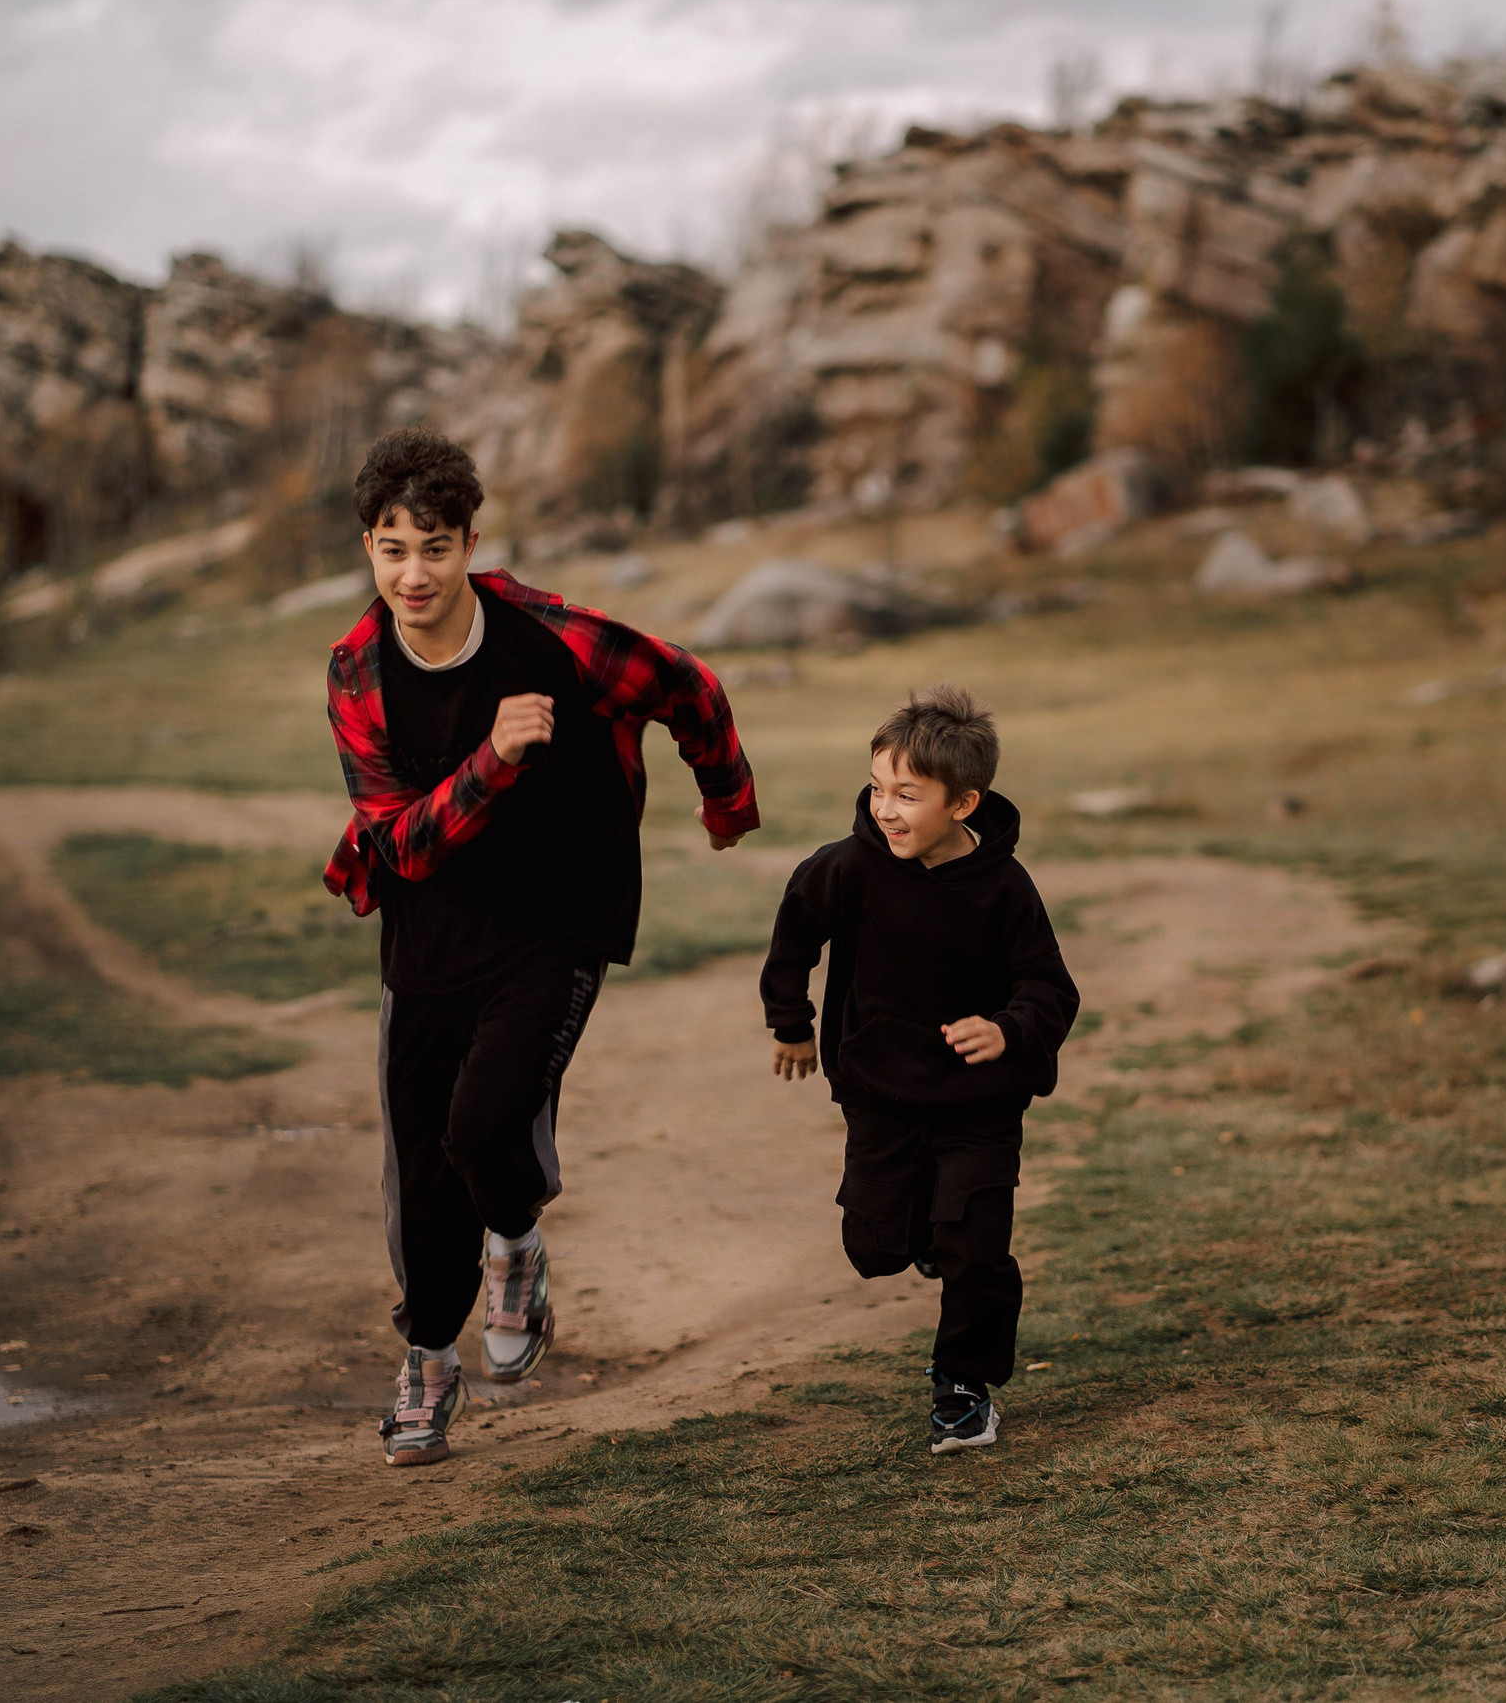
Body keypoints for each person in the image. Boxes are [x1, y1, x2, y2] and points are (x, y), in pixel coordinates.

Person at [322, 427, 759, 1468]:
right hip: (431, 933)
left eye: (435, 548)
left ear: (470, 544)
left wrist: (724, 803)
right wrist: (493, 758)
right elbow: (399, 845)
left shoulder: (551, 638)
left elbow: (687, 684)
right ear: (369, 549)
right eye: (393, 549)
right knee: (419, 1170)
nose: (414, 574)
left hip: (562, 913)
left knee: (483, 1126)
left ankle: (515, 1244)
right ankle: (430, 1362)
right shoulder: (356, 671)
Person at [760, 684, 1078, 1452]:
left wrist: (1008, 1030)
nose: (885, 809)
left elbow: (1049, 987)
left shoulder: (1004, 887)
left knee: (977, 1247)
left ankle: (963, 1388)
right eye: (877, 788)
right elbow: (795, 935)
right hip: (881, 1092)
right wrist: (793, 1024)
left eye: (907, 794)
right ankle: (929, 1235)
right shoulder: (847, 868)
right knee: (874, 1248)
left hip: (980, 1101)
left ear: (963, 803)